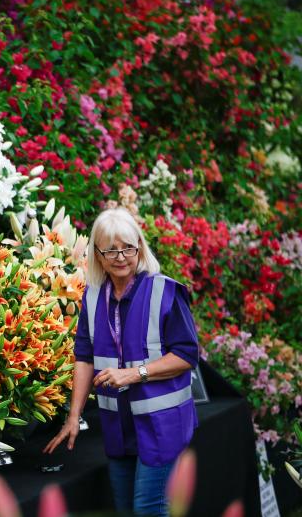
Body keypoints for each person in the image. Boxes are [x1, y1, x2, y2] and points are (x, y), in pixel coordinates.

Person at [43, 207, 199, 517]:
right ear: (97, 255)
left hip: (162, 423)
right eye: (110, 250)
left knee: (148, 508)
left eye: (128, 247)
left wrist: (133, 374)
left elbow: (186, 355)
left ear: (139, 247)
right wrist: (73, 416)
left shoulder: (165, 291)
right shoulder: (92, 297)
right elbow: (84, 357)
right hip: (118, 424)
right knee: (126, 510)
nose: (121, 256)